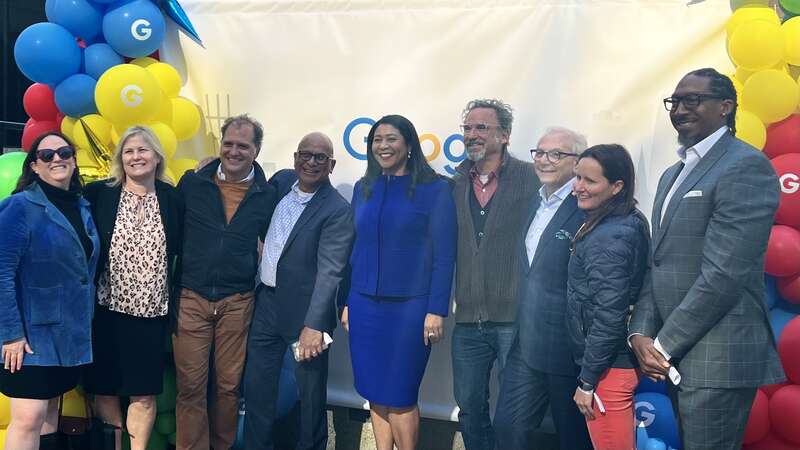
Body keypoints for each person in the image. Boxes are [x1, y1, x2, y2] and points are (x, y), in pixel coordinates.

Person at [628, 68, 785, 450]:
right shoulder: (672, 174)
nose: (680, 109)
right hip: (672, 355)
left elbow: (724, 274)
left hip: (718, 357)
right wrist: (640, 333)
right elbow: (658, 262)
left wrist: (663, 345)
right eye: (675, 101)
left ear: (726, 107)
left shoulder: (745, 166)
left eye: (693, 100)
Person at [342, 114, 456, 450]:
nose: (383, 145)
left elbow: (444, 256)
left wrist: (436, 310)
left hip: (410, 309)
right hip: (363, 305)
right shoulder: (364, 189)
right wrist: (348, 301)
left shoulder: (435, 190)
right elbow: (354, 250)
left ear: (409, 145)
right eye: (377, 139)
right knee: (374, 390)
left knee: (401, 394)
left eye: (391, 138)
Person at [173, 114, 278, 450]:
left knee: (229, 387)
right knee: (190, 386)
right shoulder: (192, 183)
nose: (233, 151)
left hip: (238, 300)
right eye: (228, 144)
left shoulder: (268, 194)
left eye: (242, 146)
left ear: (256, 150)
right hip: (191, 296)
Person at [243, 132, 354, 450]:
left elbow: (331, 272)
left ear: (332, 165)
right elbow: (252, 178)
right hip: (266, 304)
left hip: (306, 315)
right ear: (294, 158)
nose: (311, 162)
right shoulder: (280, 184)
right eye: (305, 154)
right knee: (258, 391)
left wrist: (315, 325)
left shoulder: (337, 210)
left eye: (321, 157)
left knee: (310, 399)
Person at [82, 126, 184, 450]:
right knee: (106, 389)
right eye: (128, 151)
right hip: (106, 312)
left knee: (144, 393)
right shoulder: (100, 193)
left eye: (143, 150)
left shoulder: (172, 199)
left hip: (150, 315)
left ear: (157, 157)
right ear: (120, 159)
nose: (135, 157)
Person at [493, 127, 592, 450]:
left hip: (569, 349)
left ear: (577, 162)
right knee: (508, 429)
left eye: (556, 154)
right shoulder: (534, 203)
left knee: (573, 438)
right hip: (527, 344)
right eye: (540, 152)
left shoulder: (587, 209)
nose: (545, 161)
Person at [0, 132, 99, 450]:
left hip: (67, 333)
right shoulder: (19, 206)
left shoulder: (82, 207)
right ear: (35, 167)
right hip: (29, 337)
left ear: (73, 159)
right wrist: (11, 334)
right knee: (29, 418)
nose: (57, 158)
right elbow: (1, 273)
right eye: (47, 155)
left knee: (50, 415)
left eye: (64, 151)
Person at [450, 99, 539, 450]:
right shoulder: (454, 182)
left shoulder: (532, 178)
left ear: (504, 135)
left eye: (481, 128)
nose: (472, 135)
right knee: (470, 409)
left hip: (514, 319)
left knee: (514, 414)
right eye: (468, 128)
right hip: (469, 320)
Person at [567, 144, 649, 450]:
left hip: (608, 371)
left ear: (617, 187)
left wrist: (588, 381)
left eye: (590, 181)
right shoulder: (622, 220)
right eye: (577, 178)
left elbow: (609, 314)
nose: (578, 187)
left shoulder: (610, 236)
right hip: (610, 365)